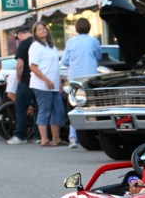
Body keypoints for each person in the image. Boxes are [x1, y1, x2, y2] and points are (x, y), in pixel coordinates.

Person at [60, 17, 101, 148]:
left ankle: (73, 138)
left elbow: (65, 61)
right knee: (92, 105)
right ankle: (94, 135)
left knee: (75, 106)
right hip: (90, 76)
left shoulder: (71, 42)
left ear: (76, 29)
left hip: (74, 78)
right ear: (89, 28)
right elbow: (99, 56)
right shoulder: (93, 41)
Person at [28, 21, 66, 147]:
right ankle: (44, 139)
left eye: (44, 28)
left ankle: (56, 139)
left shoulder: (51, 46)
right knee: (45, 110)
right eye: (39, 29)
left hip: (54, 84)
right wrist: (46, 80)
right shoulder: (35, 47)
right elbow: (33, 67)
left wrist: (59, 82)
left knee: (58, 111)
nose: (42, 30)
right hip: (41, 84)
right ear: (35, 33)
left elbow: (55, 66)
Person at [6, 27, 34, 145]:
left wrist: (19, 79)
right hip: (40, 81)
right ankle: (39, 136)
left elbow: (19, 65)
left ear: (21, 34)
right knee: (39, 109)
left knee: (21, 107)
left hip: (26, 80)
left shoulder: (24, 44)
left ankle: (20, 135)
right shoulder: (40, 43)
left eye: (17, 38)